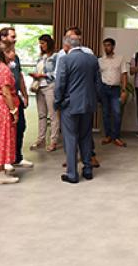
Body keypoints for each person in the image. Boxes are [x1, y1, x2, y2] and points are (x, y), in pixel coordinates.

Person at [55, 34, 102, 183]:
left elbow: (60, 84)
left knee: (70, 138)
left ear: (67, 46)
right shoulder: (92, 59)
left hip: (70, 105)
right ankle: (87, 169)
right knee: (86, 136)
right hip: (88, 105)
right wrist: (97, 100)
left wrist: (57, 102)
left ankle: (72, 174)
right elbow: (98, 83)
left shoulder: (65, 60)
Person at [0, 27, 32, 170]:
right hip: (4, 100)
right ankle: (5, 160)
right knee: (5, 132)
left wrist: (25, 94)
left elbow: (20, 76)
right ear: (3, 38)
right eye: (12, 36)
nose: (15, 39)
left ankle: (17, 157)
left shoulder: (14, 57)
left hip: (15, 97)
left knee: (20, 127)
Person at [0, 47, 21, 184]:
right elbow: (6, 92)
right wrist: (13, 110)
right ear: (5, 53)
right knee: (4, 136)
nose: (14, 53)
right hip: (3, 105)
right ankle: (1, 174)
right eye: (12, 51)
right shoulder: (4, 69)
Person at [29, 34, 59, 152]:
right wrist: (35, 75)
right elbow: (38, 70)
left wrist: (44, 75)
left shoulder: (56, 56)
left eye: (43, 43)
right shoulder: (40, 57)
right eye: (40, 43)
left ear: (49, 43)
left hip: (50, 87)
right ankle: (40, 140)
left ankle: (53, 141)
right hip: (39, 88)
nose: (41, 46)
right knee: (41, 115)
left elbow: (57, 73)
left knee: (53, 115)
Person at [98, 37, 128, 147]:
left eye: (109, 45)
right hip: (104, 89)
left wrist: (124, 90)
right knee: (106, 114)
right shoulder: (100, 60)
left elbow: (124, 74)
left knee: (117, 113)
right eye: (105, 45)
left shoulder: (120, 58)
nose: (106, 47)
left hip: (116, 89)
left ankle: (116, 137)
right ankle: (108, 136)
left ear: (113, 46)